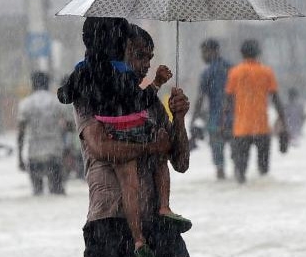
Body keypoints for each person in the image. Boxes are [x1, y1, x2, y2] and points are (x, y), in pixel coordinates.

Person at [58, 18, 189, 256]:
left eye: (149, 57)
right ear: (120, 52)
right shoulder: (91, 96)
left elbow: (180, 163)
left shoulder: (149, 102)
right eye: (139, 55)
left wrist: (179, 118)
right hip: (109, 224)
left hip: (157, 224)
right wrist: (151, 147)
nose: (146, 65)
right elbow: (102, 148)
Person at [222, 39, 288, 184]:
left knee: (240, 172)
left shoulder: (235, 72)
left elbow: (228, 101)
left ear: (241, 53)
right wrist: (284, 124)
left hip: (241, 129)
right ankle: (263, 202)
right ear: (258, 53)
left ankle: (242, 200)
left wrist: (224, 124)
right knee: (264, 172)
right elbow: (276, 100)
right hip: (262, 127)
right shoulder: (266, 72)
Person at [17, 72, 69, 196]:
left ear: (33, 84)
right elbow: (67, 127)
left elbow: (21, 133)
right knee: (57, 192)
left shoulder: (25, 104)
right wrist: (67, 150)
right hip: (54, 152)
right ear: (47, 84)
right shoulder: (57, 102)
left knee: (37, 193)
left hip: (34, 154)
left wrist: (19, 157)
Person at [190, 38, 232, 179]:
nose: (202, 56)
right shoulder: (232, 68)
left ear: (214, 51)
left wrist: (193, 120)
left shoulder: (207, 73)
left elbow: (200, 99)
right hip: (234, 118)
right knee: (238, 158)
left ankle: (221, 180)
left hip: (215, 120)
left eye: (204, 52)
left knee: (219, 163)